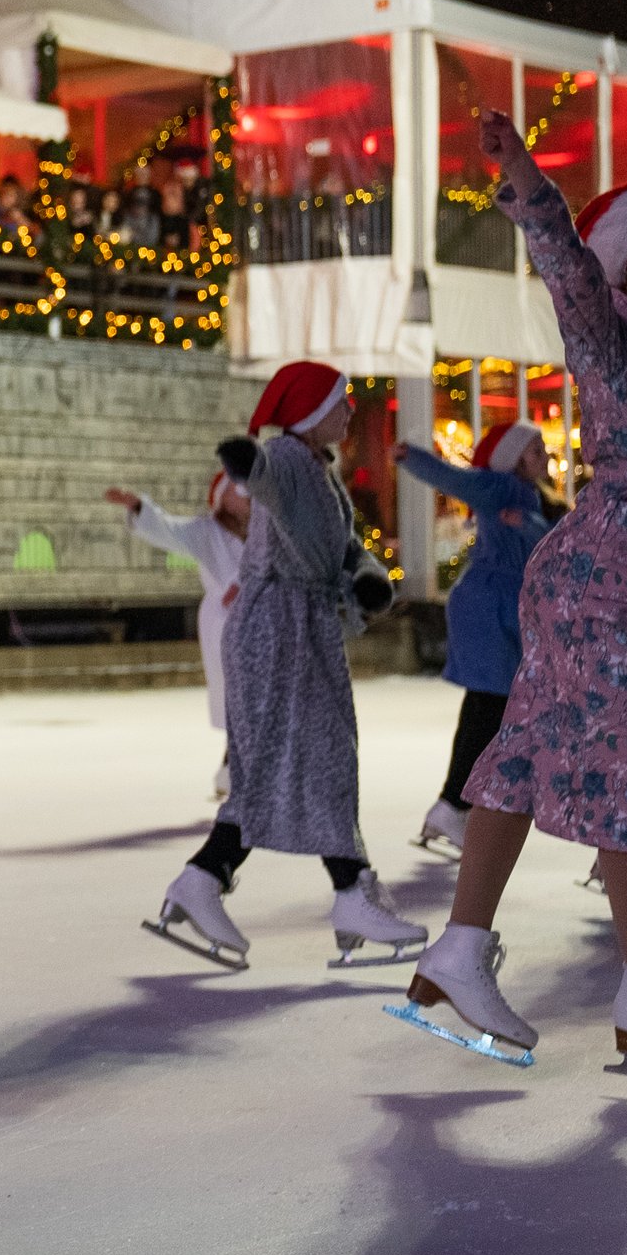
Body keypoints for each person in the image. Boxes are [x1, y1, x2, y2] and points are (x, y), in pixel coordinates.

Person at [398, 111, 627, 1073]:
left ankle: (460, 946)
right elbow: (567, 269)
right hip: (603, 578)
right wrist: (527, 182)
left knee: (527, 750)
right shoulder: (608, 332)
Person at [142, 361, 419, 970]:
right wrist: (249, 465)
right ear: (311, 412)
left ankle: (218, 880)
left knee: (307, 759)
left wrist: (367, 575)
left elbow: (340, 543)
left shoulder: (319, 468)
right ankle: (342, 890)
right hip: (276, 629)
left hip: (300, 626)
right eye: (341, 402)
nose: (350, 411)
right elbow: (266, 479)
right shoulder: (289, 459)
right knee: (306, 758)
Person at [390, 422, 554, 860]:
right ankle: (452, 805)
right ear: (513, 458)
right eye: (536, 449)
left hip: (498, 606)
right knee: (490, 708)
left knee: (487, 707)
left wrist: (529, 522)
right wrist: (413, 457)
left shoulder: (528, 495)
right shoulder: (498, 485)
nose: (545, 455)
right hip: (486, 606)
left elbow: (544, 541)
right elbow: (454, 479)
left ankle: (452, 804)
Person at [106, 468, 250, 797]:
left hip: (264, 623)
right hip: (226, 626)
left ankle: (241, 768)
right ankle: (235, 767)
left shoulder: (265, 533)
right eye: (238, 489)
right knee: (239, 698)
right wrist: (140, 507)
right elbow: (171, 530)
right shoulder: (207, 531)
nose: (247, 497)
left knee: (262, 699)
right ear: (222, 495)